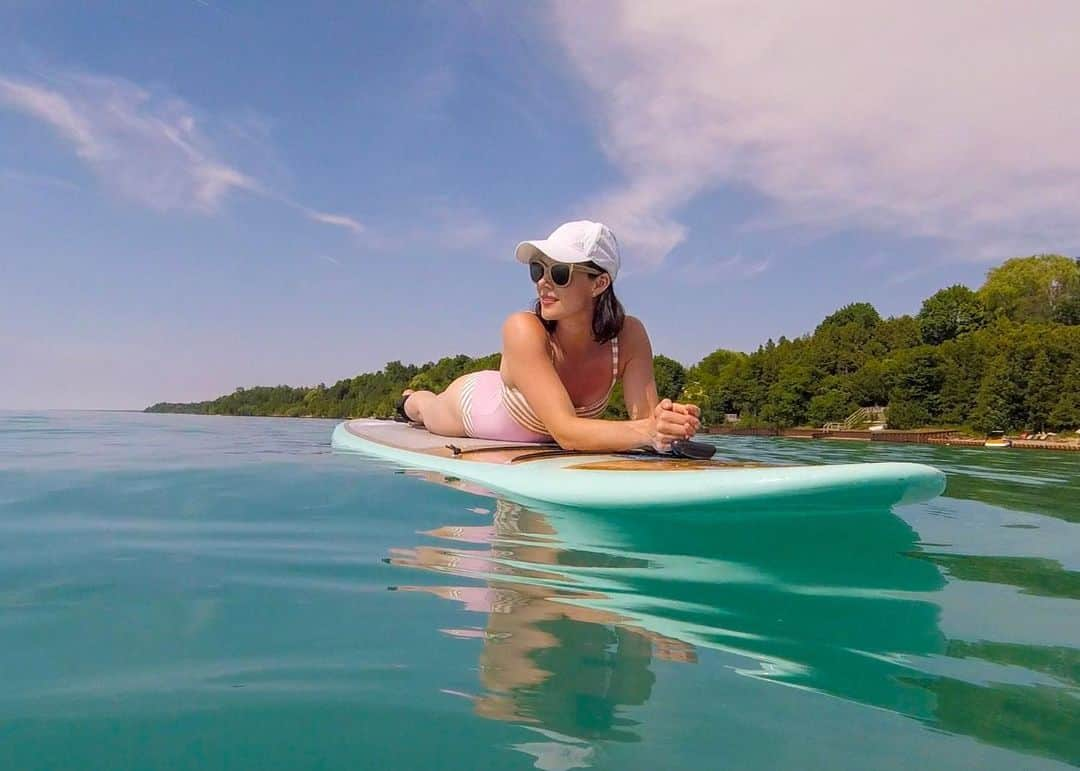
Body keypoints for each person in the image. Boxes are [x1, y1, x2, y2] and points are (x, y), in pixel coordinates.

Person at [399, 220, 701, 452]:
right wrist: (648, 431)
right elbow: (567, 432)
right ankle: (410, 399)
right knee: (426, 411)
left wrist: (671, 422)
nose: (543, 282)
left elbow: (647, 423)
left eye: (559, 273)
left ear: (599, 283)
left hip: (524, 390)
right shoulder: (522, 328)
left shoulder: (629, 335)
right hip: (476, 407)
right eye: (537, 270)